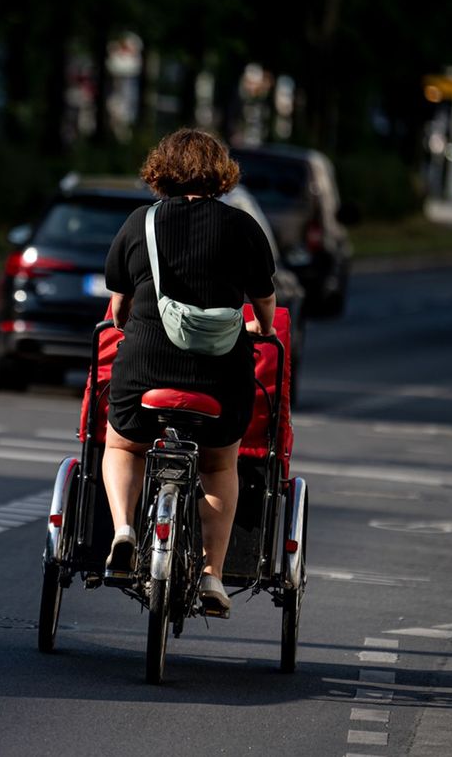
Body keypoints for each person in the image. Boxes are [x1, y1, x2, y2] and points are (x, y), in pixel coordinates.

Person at [100, 128, 276, 617]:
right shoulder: (242, 227)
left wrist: (130, 317)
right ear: (221, 174)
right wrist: (257, 326)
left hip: (144, 373)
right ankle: (211, 576)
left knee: (121, 444)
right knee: (221, 465)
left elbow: (118, 309)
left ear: (161, 171)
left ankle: (123, 531)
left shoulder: (140, 223)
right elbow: (264, 306)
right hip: (220, 382)